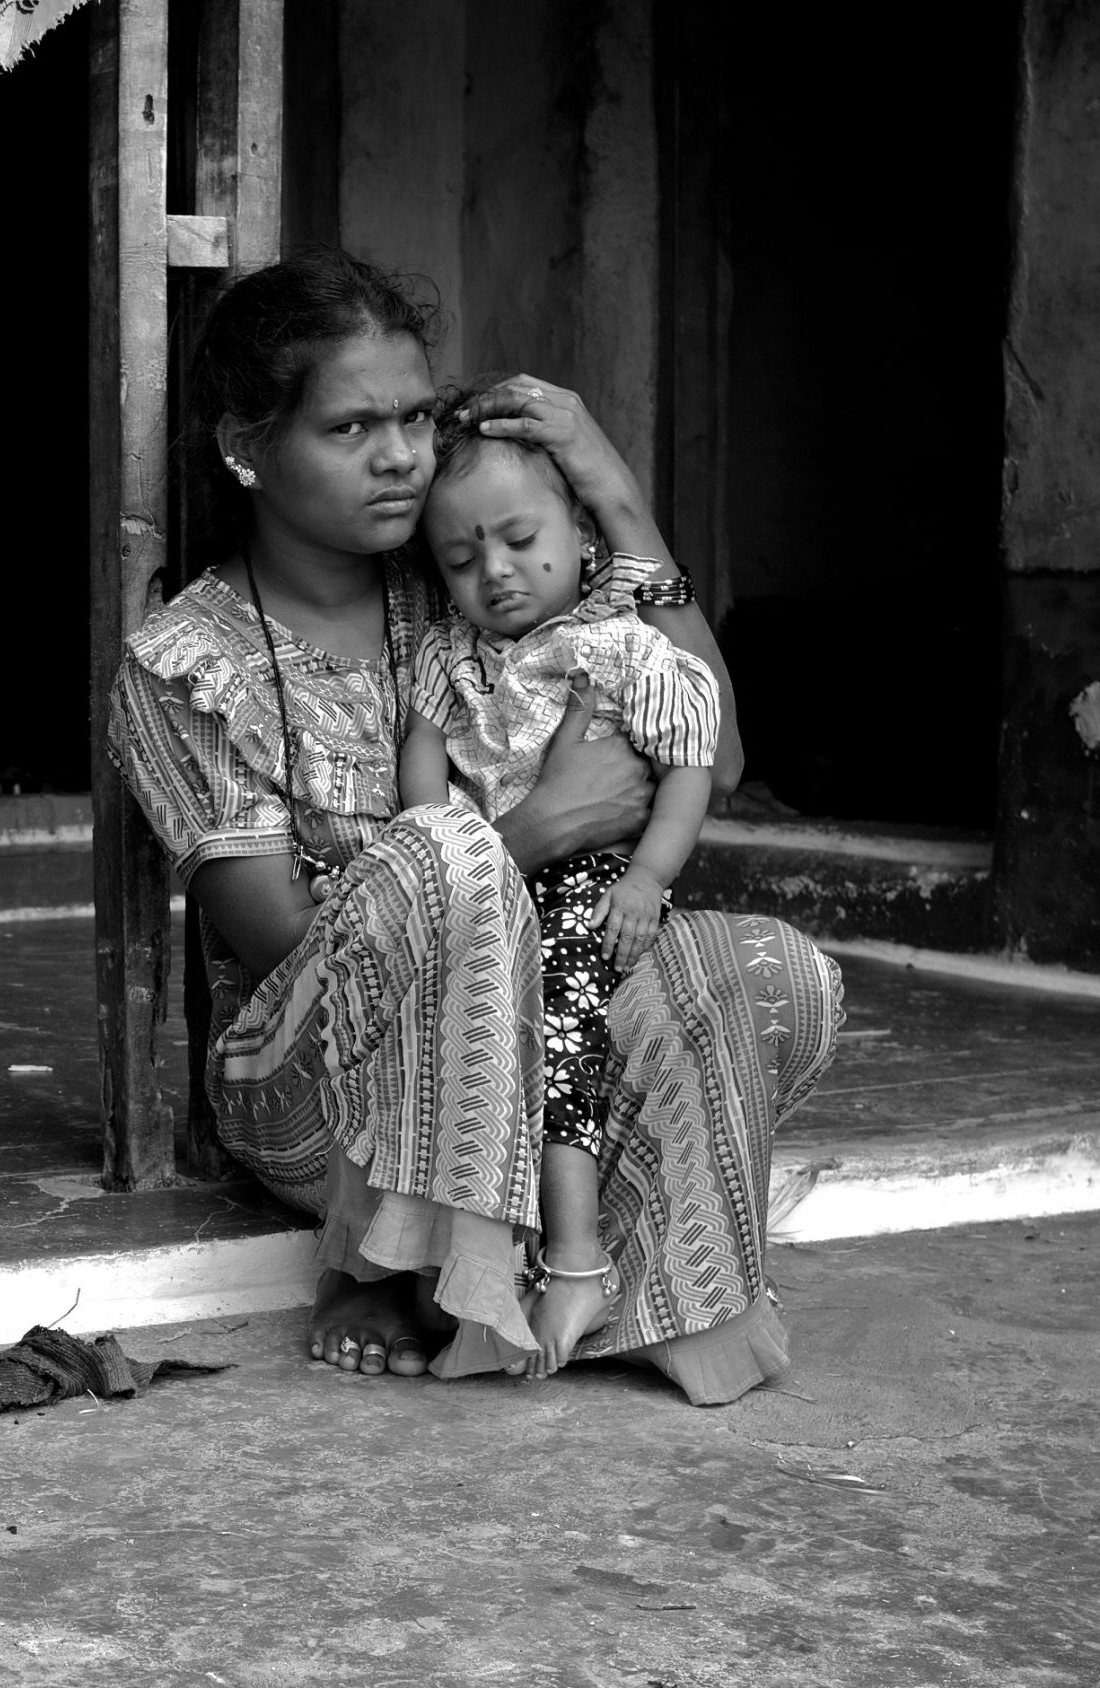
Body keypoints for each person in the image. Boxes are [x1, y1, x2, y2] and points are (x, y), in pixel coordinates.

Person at [107, 248, 839, 1404]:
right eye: (351, 428)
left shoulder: (470, 572)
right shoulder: (192, 664)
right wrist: (539, 827)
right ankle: (381, 1252)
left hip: (533, 1054)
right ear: (249, 449)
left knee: (766, 973)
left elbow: (718, 751)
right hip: (317, 1091)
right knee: (441, 843)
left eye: (411, 415)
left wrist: (612, 492)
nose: (400, 453)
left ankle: (598, 1283)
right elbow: (279, 946)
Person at [397, 380, 723, 1377]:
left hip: (595, 888)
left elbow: (692, 762)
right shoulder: (447, 662)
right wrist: (442, 854)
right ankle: (484, 1270)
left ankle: (579, 1260)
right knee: (477, 1045)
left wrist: (649, 882)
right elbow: (422, 795)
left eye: (518, 539)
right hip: (494, 886)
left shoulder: (620, 645)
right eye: (461, 558)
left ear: (584, 539)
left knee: (557, 1043)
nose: (494, 571)